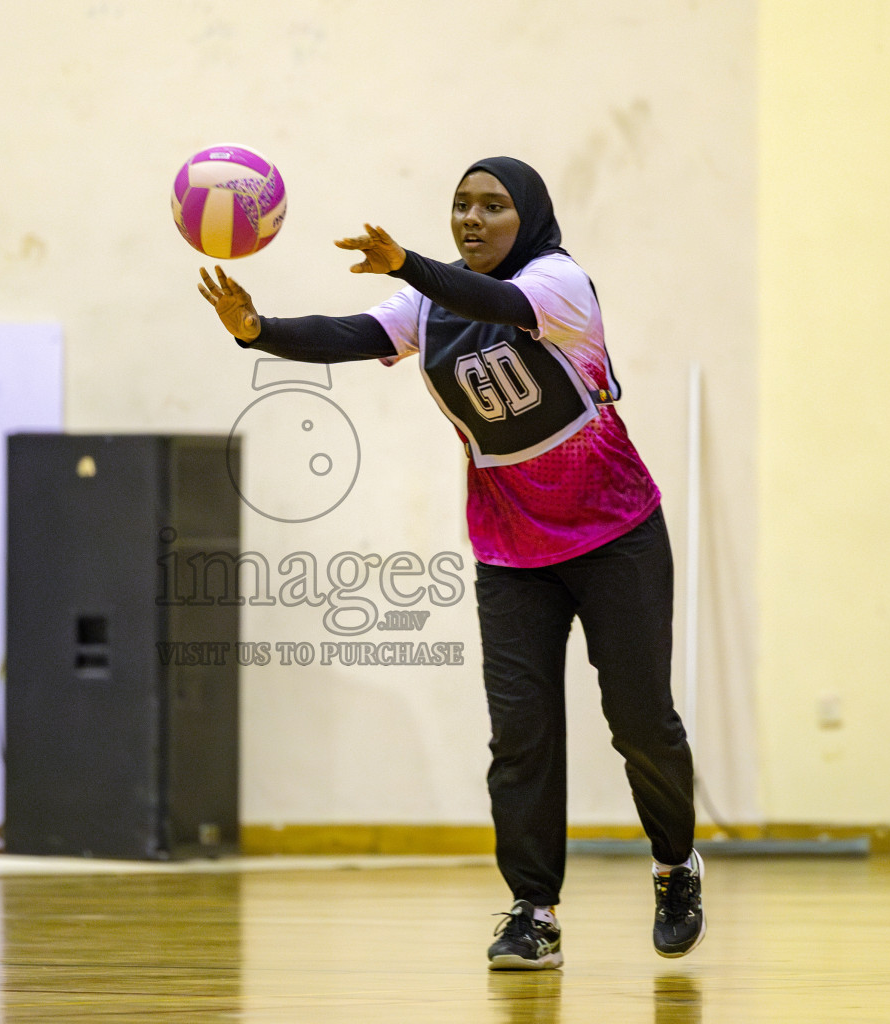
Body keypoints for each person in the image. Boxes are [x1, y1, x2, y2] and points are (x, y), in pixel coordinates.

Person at [197, 157, 703, 967]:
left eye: (493, 206)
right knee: (521, 736)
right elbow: (352, 336)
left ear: (527, 217)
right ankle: (532, 912)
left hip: (615, 534)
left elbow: (496, 303)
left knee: (640, 722)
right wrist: (258, 330)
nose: (472, 218)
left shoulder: (558, 281)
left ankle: (676, 864)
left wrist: (409, 265)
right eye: (461, 205)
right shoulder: (424, 304)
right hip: (510, 549)